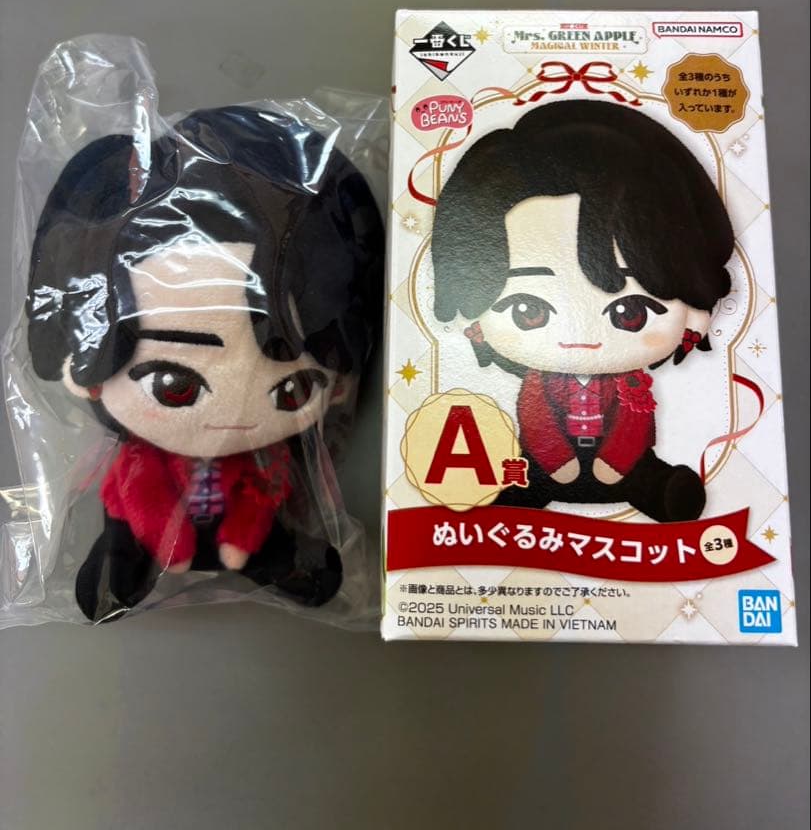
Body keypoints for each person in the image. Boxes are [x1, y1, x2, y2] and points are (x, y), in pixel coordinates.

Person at [27, 105, 383, 620]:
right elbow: (141, 494)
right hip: (156, 530)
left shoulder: (266, 461)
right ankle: (127, 566)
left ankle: (264, 558)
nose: (229, 418)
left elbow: (261, 497)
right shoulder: (142, 460)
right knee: (126, 528)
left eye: (292, 390)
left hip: (241, 525)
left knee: (269, 525)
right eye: (175, 384)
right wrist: (167, 543)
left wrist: (242, 539)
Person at [431, 99, 733, 522]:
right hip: (550, 463)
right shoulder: (540, 384)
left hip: (624, 465)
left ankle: (660, 492)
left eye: (630, 313)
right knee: (527, 478)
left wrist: (615, 463)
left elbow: (633, 423)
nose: (582, 338)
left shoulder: (632, 385)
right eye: (528, 311)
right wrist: (557, 461)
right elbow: (536, 419)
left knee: (646, 475)